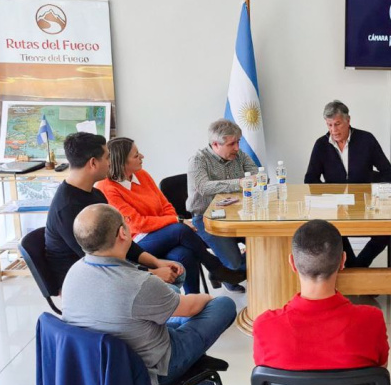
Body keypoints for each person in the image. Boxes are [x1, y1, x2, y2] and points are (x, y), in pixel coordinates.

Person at [61, 204, 251, 385]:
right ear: (123, 233)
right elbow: (190, 307)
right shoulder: (137, 284)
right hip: (151, 369)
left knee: (176, 319)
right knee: (223, 305)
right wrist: (207, 298)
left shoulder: (72, 274)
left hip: (100, 373)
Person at [253, 220, 389, 385]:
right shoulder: (372, 319)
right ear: (343, 261)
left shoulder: (265, 324)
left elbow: (265, 373)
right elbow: (381, 367)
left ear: (292, 263)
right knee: (365, 384)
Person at [97, 137, 245, 294]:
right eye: (136, 155)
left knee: (184, 254)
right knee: (180, 230)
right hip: (137, 242)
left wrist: (172, 222)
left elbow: (165, 205)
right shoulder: (107, 188)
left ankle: (194, 299)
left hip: (165, 234)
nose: (142, 156)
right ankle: (216, 268)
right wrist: (175, 221)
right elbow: (138, 224)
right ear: (122, 163)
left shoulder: (142, 175)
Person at [45, 132, 182, 288]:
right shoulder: (67, 209)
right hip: (84, 283)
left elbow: (121, 240)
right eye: (107, 158)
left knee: (177, 272)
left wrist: (156, 262)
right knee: (170, 289)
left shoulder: (96, 194)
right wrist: (151, 273)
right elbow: (100, 261)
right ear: (93, 163)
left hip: (107, 268)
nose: (111, 163)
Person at [304, 100, 391, 268]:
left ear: (348, 120)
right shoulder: (321, 145)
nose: (333, 130)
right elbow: (310, 179)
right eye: (329, 125)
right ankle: (358, 271)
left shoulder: (366, 140)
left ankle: (356, 268)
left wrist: (371, 191)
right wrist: (329, 198)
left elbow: (388, 173)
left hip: (365, 206)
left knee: (385, 232)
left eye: (337, 124)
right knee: (333, 232)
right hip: (335, 208)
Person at [187, 120, 258, 292]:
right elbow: (204, 187)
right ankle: (222, 272)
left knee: (265, 244)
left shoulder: (239, 155)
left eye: (238, 142)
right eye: (231, 144)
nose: (237, 148)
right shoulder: (198, 160)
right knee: (234, 264)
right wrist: (239, 183)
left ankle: (223, 271)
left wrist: (253, 180)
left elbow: (256, 175)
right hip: (206, 218)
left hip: (238, 213)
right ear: (215, 144)